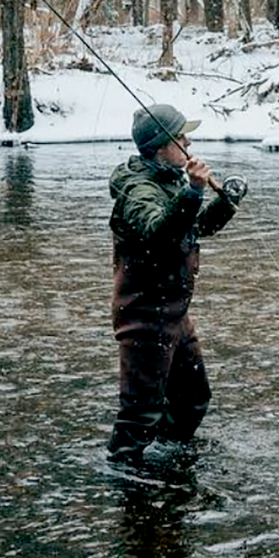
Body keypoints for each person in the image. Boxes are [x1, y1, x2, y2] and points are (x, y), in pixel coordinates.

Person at [106, 103, 247, 466]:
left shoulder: (167, 179)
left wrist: (225, 203)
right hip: (146, 319)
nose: (188, 141)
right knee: (138, 417)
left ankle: (170, 464)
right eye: (181, 137)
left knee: (192, 399)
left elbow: (192, 228)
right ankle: (129, 488)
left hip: (175, 315)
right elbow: (159, 233)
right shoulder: (138, 191)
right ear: (159, 146)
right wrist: (194, 190)